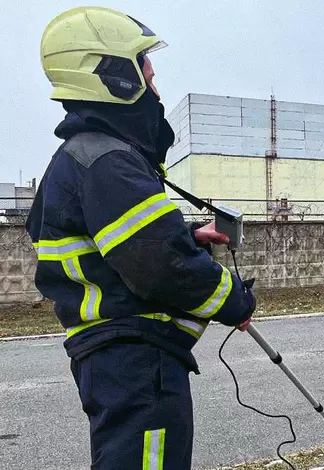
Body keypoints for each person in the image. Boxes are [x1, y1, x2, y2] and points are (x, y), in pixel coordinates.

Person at [26, 7, 257, 469]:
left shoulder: (83, 158)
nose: (155, 85)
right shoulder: (108, 162)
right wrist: (235, 301)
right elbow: (158, 267)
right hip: (134, 356)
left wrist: (187, 235)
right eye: (146, 71)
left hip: (118, 356)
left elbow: (119, 249)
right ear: (112, 75)